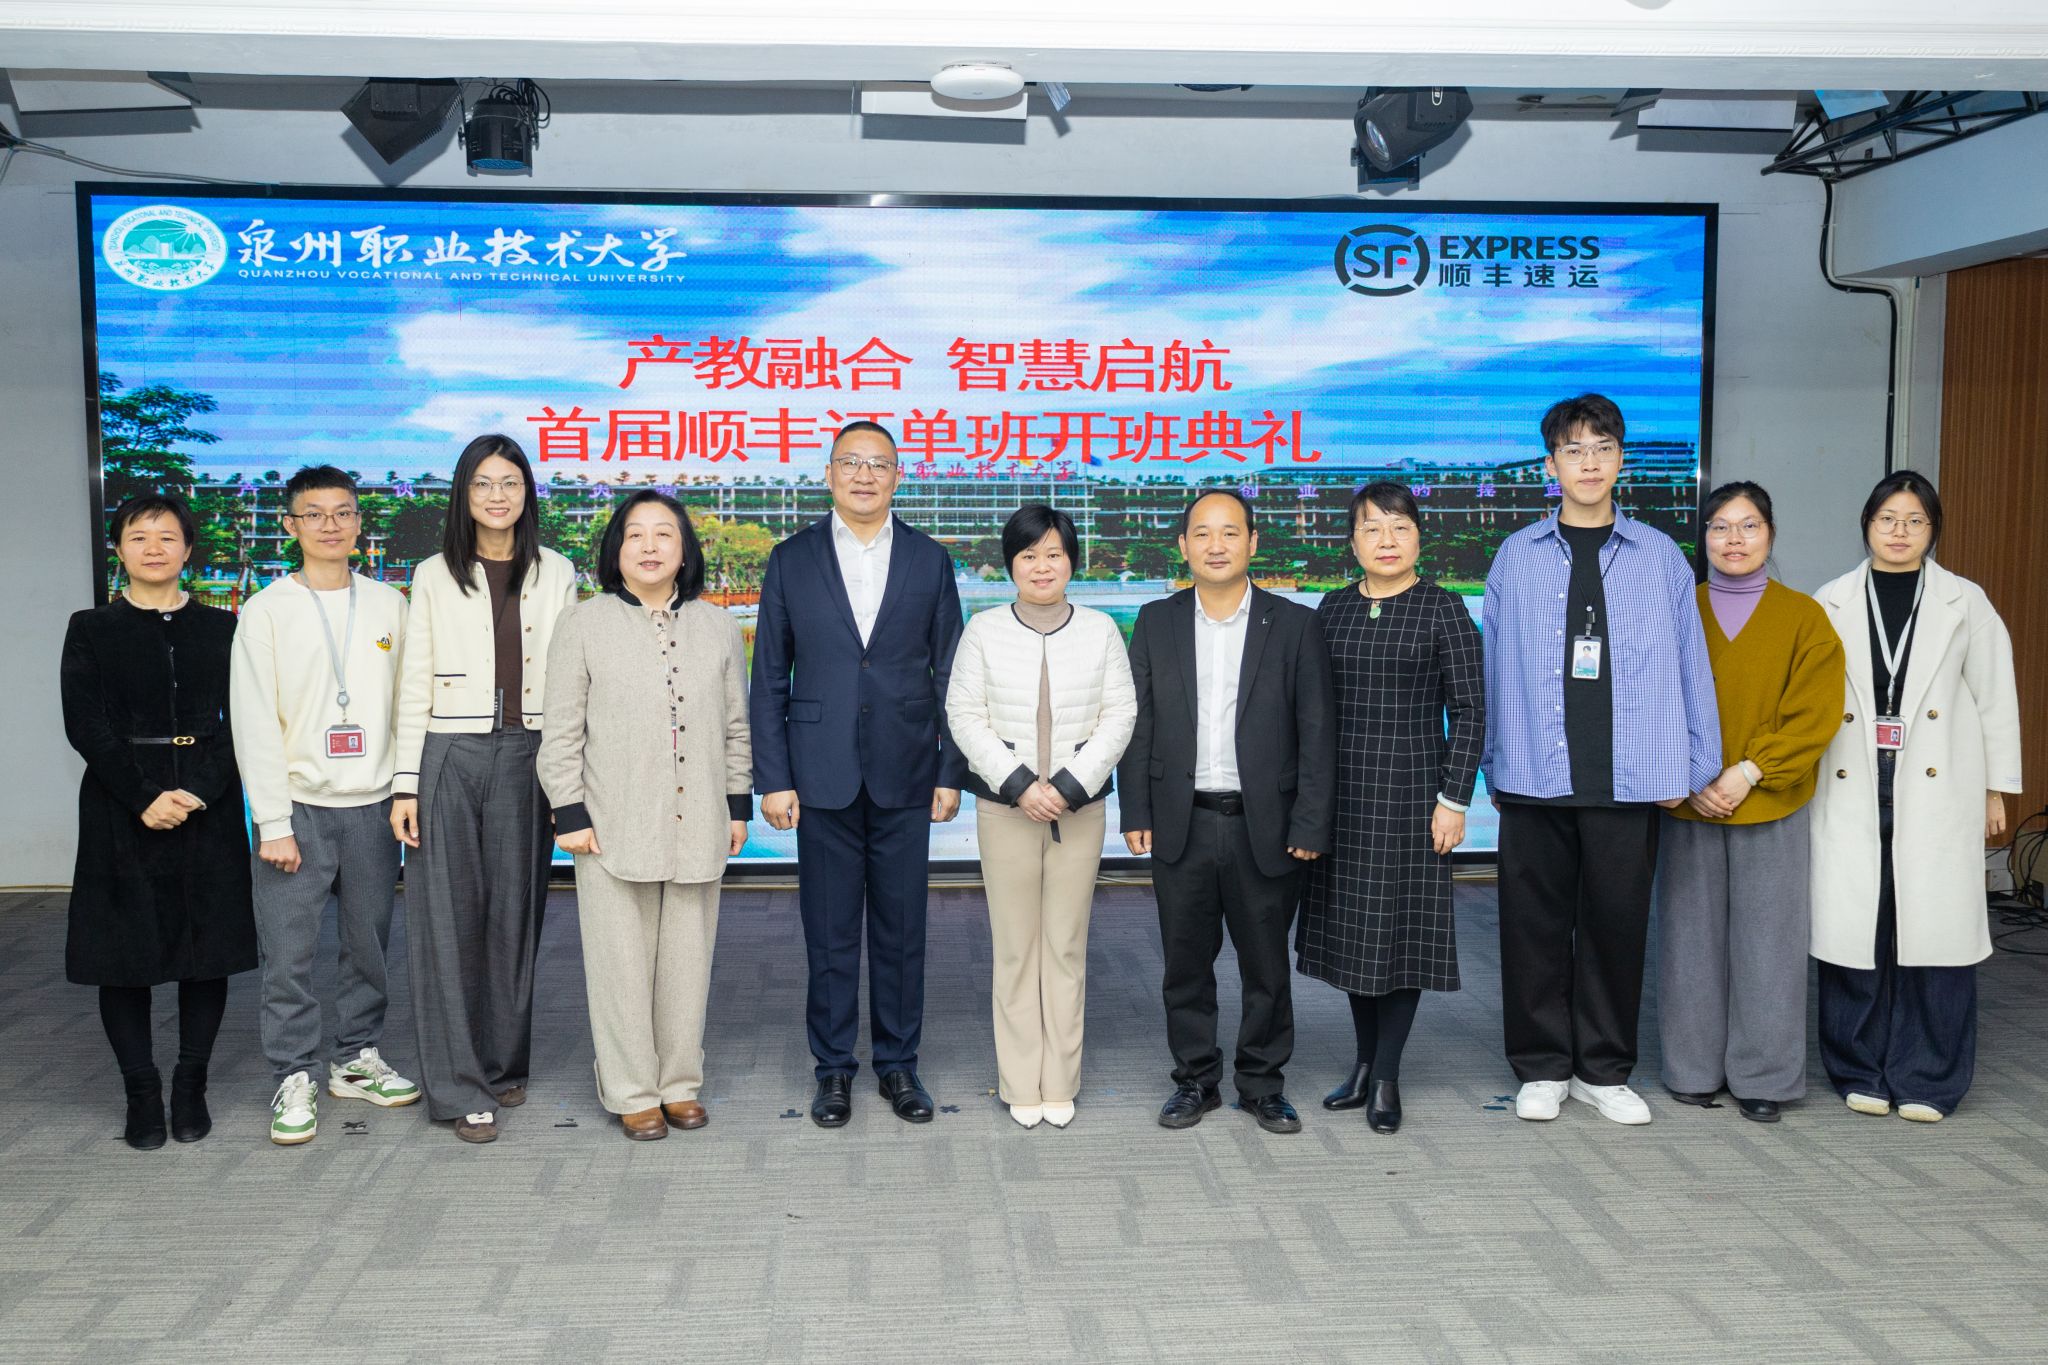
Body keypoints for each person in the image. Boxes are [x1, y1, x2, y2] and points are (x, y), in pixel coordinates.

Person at [1482, 394, 1721, 1126]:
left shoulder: (1660, 557)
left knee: (1616, 928)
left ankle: (1603, 1070)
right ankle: (1542, 1068)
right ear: (1550, 465)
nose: (1588, 462)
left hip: (1631, 776)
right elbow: (1491, 667)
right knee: (1533, 930)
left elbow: (1692, 663)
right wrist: (1490, 762)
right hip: (1534, 773)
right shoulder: (1517, 556)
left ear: (1620, 459)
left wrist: (1695, 765)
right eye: (1573, 450)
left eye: (1602, 448)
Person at [750, 420, 968, 1128]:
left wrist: (951, 770)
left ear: (899, 477)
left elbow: (952, 673)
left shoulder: (929, 559)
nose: (865, 475)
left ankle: (899, 1065)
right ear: (829, 474)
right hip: (820, 774)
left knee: (903, 931)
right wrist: (774, 778)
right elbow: (769, 676)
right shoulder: (791, 558)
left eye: (879, 464)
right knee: (829, 931)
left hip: (908, 770)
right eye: (851, 462)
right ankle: (834, 1069)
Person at [1119, 488, 1336, 1134]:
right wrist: (1136, 808)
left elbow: (1317, 730)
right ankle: (1194, 1080)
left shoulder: (1294, 624)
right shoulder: (1155, 620)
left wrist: (1311, 821)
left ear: (1253, 542)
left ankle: (1262, 1084)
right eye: (1203, 533)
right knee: (1185, 965)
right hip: (1180, 819)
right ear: (1183, 546)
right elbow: (1138, 721)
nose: (1216, 545)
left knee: (1265, 965)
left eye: (1230, 532)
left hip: (1264, 825)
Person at [1808, 471, 2021, 1122]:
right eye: (1888, 519)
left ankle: (1928, 1076)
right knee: (1856, 932)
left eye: (1915, 521)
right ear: (1867, 525)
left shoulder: (1965, 601)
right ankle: (1859, 1068)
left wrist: (1996, 789)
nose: (1899, 532)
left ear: (1933, 530)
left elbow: (1995, 697)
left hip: (1938, 784)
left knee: (1934, 936)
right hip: (1851, 780)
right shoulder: (1831, 599)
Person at [540, 492, 753, 1141]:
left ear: (685, 551)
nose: (651, 546)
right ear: (617, 550)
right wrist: (569, 812)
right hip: (611, 822)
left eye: (665, 534)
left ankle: (679, 1083)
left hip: (698, 819)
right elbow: (561, 731)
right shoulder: (583, 623)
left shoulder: (718, 626)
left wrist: (737, 804)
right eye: (636, 534)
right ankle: (632, 1089)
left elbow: (735, 727)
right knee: (620, 967)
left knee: (687, 964)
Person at [390, 435, 579, 1144]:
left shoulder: (556, 571)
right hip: (449, 752)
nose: (497, 496)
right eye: (482, 483)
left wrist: (568, 778)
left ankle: (502, 1063)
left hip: (529, 754)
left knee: (515, 916)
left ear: (527, 492)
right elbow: (413, 680)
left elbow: (572, 680)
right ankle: (458, 1086)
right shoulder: (433, 573)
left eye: (510, 482)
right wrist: (405, 783)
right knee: (447, 924)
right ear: (463, 495)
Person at [231, 466, 421, 1146]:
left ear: (359, 522)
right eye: (314, 514)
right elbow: (254, 721)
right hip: (298, 809)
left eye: (343, 512)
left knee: (368, 944)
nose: (330, 525)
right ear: (291, 525)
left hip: (375, 807)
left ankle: (355, 1058)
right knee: (289, 952)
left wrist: (405, 789)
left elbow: (409, 706)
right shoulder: (266, 610)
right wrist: (272, 821)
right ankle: (293, 1072)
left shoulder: (390, 605)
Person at [62, 494, 256, 1149]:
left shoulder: (224, 628)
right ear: (118, 548)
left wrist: (198, 790)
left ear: (187, 549)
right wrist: (144, 795)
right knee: (124, 956)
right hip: (120, 805)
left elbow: (245, 719)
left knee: (207, 953)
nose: (153, 547)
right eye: (138, 536)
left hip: (209, 804)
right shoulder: (91, 628)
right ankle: (141, 1093)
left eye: (167, 536)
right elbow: (84, 724)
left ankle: (190, 1085)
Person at [1296, 482, 1484, 1135]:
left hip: (1413, 797)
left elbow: (1471, 710)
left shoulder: (1443, 608)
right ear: (1352, 541)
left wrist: (1454, 799)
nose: (1386, 540)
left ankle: (1386, 1076)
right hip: (1345, 796)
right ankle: (1362, 1061)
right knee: (1355, 932)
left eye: (1399, 528)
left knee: (1402, 935)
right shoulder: (1334, 607)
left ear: (1419, 538)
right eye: (1372, 528)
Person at [1654, 481, 1843, 1123]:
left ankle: (1765, 1076)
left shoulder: (1804, 618)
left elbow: (1815, 714)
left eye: (1749, 525)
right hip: (1688, 804)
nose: (1734, 539)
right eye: (1720, 527)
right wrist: (1688, 776)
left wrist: (1750, 770)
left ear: (1771, 534)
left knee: (1770, 944)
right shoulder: (1677, 608)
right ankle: (1692, 1069)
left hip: (1771, 802)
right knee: (1688, 943)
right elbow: (1649, 699)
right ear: (1703, 537)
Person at [946, 504, 1136, 1129]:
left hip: (1079, 810)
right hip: (1006, 809)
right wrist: (1021, 785)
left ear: (1072, 561)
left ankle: (1060, 1079)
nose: (1042, 566)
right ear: (1011, 565)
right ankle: (1019, 1079)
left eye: (1054, 553)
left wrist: (1071, 787)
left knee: (1065, 945)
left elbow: (1120, 715)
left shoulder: (1101, 630)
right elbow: (964, 715)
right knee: (1014, 948)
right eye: (1029, 555)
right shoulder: (983, 630)